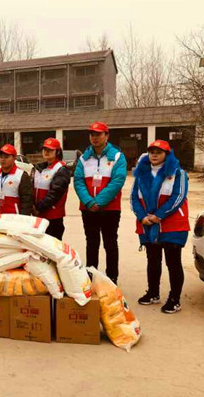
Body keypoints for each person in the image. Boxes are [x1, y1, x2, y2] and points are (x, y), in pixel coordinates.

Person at [131, 140, 189, 314]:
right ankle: (153, 293)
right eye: (151, 152)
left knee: (173, 262)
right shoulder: (141, 173)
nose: (154, 155)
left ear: (167, 154)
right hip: (148, 225)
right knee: (153, 260)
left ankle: (174, 299)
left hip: (172, 225)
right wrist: (142, 217)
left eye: (159, 152)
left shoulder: (178, 173)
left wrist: (159, 216)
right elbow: (134, 198)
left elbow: (178, 196)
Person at [74, 121, 127, 284]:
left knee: (110, 244)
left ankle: (112, 277)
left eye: (98, 134)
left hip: (110, 209)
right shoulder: (84, 158)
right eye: (92, 134)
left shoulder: (117, 156)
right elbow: (78, 181)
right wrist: (89, 202)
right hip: (88, 209)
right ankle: (91, 275)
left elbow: (118, 180)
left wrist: (100, 201)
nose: (94, 137)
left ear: (107, 136)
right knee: (92, 243)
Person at [34, 138, 71, 240]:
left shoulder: (61, 169)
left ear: (57, 152)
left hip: (53, 217)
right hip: (39, 215)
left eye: (50, 150)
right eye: (45, 149)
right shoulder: (39, 168)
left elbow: (55, 193)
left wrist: (39, 208)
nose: (46, 152)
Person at [0, 144, 32, 217]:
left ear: (14, 158)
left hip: (13, 218)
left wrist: (23, 218)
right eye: (1, 157)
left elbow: (27, 201)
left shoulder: (21, 175)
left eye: (6, 157)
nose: (3, 159)